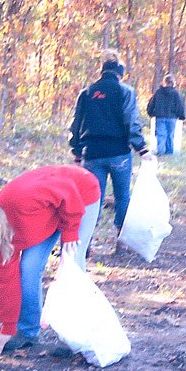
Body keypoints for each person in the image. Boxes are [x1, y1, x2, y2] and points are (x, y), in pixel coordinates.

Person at [0, 165, 100, 355]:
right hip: (47, 216)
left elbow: (67, 190)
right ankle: (27, 332)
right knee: (29, 269)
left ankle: (81, 335)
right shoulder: (0, 242)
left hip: (80, 195)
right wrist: (7, 329)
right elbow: (6, 282)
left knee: (72, 263)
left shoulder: (19, 199)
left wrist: (70, 232)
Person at [69, 49, 153, 251]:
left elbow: (76, 124)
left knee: (91, 199)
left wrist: (77, 151)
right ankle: (121, 243)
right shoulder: (125, 92)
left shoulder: (87, 93)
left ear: (102, 70)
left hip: (92, 154)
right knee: (122, 196)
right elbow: (131, 122)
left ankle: (85, 245)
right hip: (119, 154)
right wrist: (142, 149)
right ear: (120, 73)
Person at [146, 73, 186, 155]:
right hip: (172, 118)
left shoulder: (158, 92)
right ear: (173, 82)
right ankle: (169, 152)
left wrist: (151, 113)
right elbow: (180, 105)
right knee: (170, 136)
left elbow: (151, 104)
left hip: (160, 117)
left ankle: (160, 151)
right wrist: (181, 116)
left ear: (165, 82)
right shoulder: (176, 93)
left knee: (161, 135)